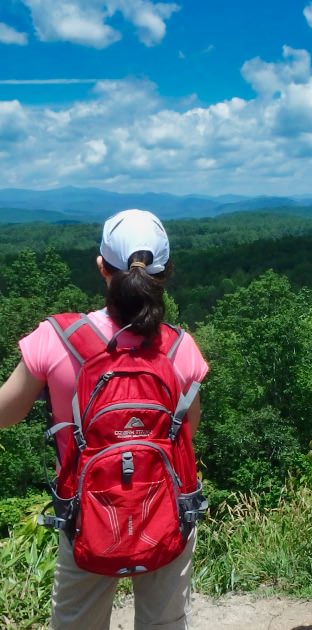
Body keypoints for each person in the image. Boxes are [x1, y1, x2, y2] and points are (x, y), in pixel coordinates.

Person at [0, 209, 209, 629]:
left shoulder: (56, 340)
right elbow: (187, 434)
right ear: (166, 273)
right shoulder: (181, 348)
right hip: (166, 511)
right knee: (165, 622)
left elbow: (5, 414)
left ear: (101, 268)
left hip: (86, 514)